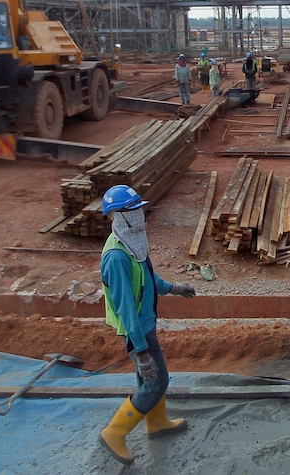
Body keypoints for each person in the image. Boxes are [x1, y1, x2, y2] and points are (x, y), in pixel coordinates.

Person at [97, 184, 196, 466]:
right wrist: (140, 351)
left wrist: (173, 288)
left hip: (145, 324)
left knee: (149, 381)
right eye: (132, 211)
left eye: (139, 209)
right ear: (116, 216)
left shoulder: (131, 241)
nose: (140, 216)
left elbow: (148, 277)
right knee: (157, 380)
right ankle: (115, 431)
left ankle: (157, 422)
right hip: (136, 330)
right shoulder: (116, 257)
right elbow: (125, 307)